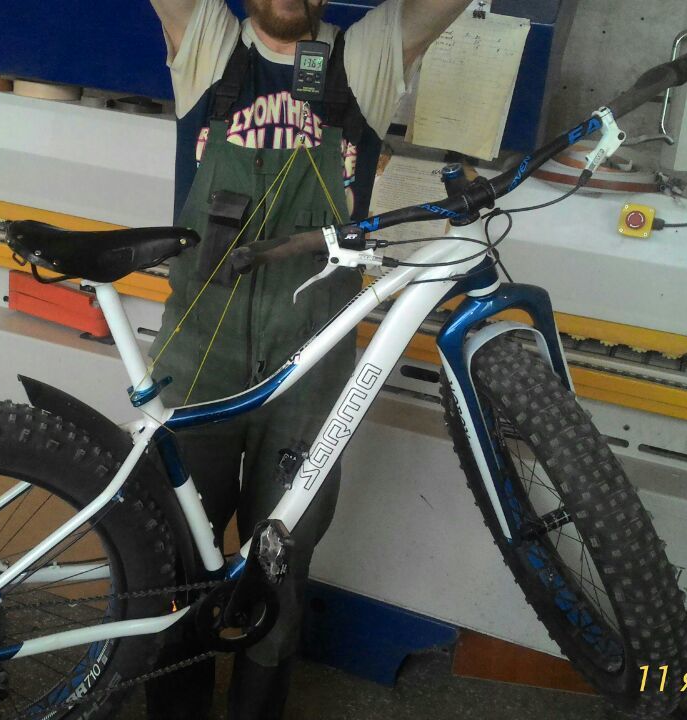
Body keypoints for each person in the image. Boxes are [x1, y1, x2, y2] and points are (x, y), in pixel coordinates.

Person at [144, 1, 472, 717]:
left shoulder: (367, 61)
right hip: (199, 354)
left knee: (281, 562)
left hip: (311, 363)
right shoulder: (208, 45)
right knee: (177, 554)